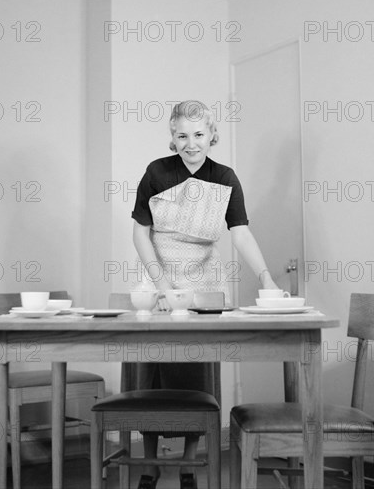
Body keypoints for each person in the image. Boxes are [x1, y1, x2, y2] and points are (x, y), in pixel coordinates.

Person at [131, 100, 280, 489]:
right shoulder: (156, 172)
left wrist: (266, 278)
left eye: (198, 135)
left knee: (196, 370)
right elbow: (139, 233)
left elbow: (241, 232)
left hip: (202, 281)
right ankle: (148, 465)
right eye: (182, 135)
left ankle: (188, 464)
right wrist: (162, 284)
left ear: (211, 134)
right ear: (172, 137)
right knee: (151, 372)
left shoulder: (225, 178)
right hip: (158, 277)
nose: (191, 144)